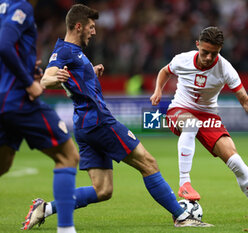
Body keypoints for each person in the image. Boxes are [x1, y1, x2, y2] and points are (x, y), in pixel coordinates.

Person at [22, 4, 213, 230]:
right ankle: (182, 217)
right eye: (91, 27)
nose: (94, 32)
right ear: (78, 26)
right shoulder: (65, 52)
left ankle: (45, 208)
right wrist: (54, 80)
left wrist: (90, 72)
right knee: (148, 163)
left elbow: (72, 78)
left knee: (103, 190)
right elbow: (46, 78)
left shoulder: (72, 51)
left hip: (84, 126)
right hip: (99, 121)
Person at [150, 26, 248, 223]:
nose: (209, 58)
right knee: (190, 123)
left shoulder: (226, 69)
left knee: (236, 162)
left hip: (209, 116)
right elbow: (164, 71)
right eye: (205, 52)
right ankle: (184, 182)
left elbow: (244, 99)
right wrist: (158, 90)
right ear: (197, 46)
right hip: (179, 110)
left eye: (214, 53)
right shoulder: (182, 59)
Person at [0, 0, 79, 232]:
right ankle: (66, 229)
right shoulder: (20, 7)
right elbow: (4, 45)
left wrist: (26, 68)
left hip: (3, 98)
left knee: (3, 164)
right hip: (18, 99)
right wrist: (28, 82)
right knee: (68, 156)